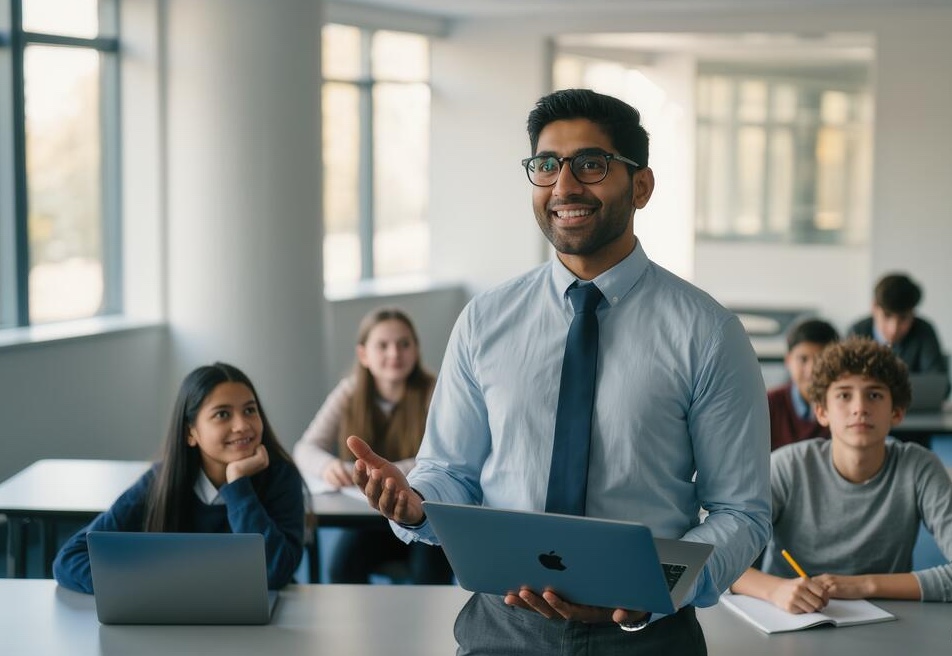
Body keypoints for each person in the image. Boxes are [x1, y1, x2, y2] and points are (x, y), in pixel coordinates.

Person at [346, 89, 771, 654]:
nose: (564, 186)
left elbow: (740, 512)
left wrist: (652, 588)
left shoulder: (707, 332)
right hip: (501, 629)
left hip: (645, 635)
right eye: (547, 165)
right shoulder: (484, 321)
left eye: (591, 164)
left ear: (641, 186)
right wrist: (418, 501)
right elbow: (451, 471)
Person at [731, 337, 952, 612]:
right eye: (844, 395)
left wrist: (864, 585)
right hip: (787, 618)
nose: (860, 408)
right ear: (822, 411)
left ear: (896, 412)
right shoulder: (788, 466)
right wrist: (775, 589)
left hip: (889, 620)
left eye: (874, 395)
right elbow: (721, 561)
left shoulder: (920, 468)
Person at [53, 362, 305, 594]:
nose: (242, 425)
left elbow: (274, 574)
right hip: (175, 616)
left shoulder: (281, 477)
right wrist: (147, 585)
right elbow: (70, 559)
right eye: (222, 414)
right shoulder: (159, 483)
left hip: (261, 620)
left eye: (250, 410)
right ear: (190, 433)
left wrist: (238, 484)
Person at [292, 307, 453, 584]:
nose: (395, 353)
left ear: (416, 349)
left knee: (428, 575)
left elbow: (446, 454)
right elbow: (305, 448)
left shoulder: (436, 391)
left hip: (423, 513)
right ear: (363, 354)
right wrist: (329, 466)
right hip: (370, 515)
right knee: (342, 567)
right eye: (383, 345)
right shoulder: (349, 391)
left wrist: (389, 472)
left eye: (404, 344)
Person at [848, 272, 949, 387]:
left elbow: (937, 381)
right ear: (874, 308)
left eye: (903, 318)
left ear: (913, 312)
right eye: (887, 316)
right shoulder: (857, 331)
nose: (894, 329)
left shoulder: (924, 331)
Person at [766, 318, 839, 450]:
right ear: (788, 360)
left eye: (821, 359)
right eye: (803, 359)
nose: (811, 370)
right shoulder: (768, 405)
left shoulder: (844, 404)